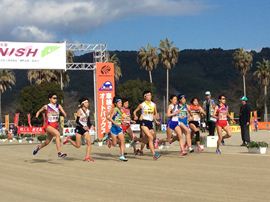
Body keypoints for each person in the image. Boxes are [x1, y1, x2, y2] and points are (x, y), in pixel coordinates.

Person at [33, 93, 67, 158]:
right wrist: (36, 118)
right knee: (57, 134)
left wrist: (63, 114)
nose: (55, 99)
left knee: (47, 142)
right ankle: (59, 152)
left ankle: (38, 147)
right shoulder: (46, 106)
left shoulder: (58, 106)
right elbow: (38, 111)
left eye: (56, 98)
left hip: (55, 126)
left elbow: (64, 114)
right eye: (54, 98)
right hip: (48, 125)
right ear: (50, 99)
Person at [63, 97, 94, 162]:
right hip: (79, 128)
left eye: (88, 102)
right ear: (82, 104)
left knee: (89, 142)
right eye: (86, 102)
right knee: (78, 146)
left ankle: (87, 157)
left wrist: (91, 126)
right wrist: (83, 126)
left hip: (85, 129)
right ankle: (69, 139)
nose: (87, 103)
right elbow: (77, 121)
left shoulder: (88, 111)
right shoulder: (79, 111)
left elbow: (88, 121)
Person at [133, 90, 161, 160]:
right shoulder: (142, 104)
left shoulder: (153, 104)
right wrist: (135, 116)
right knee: (150, 137)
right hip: (143, 122)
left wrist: (156, 120)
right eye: (148, 95)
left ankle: (136, 139)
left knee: (150, 138)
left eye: (150, 95)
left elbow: (154, 114)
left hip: (150, 123)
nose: (150, 96)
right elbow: (135, 111)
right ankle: (154, 154)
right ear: (144, 96)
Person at [107, 97, 128, 162]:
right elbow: (110, 118)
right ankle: (110, 141)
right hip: (114, 128)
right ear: (116, 104)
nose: (120, 104)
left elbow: (123, 117)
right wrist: (115, 123)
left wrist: (130, 121)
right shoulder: (115, 109)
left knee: (122, 141)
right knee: (114, 144)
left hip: (119, 128)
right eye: (119, 103)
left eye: (121, 103)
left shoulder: (121, 110)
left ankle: (122, 156)